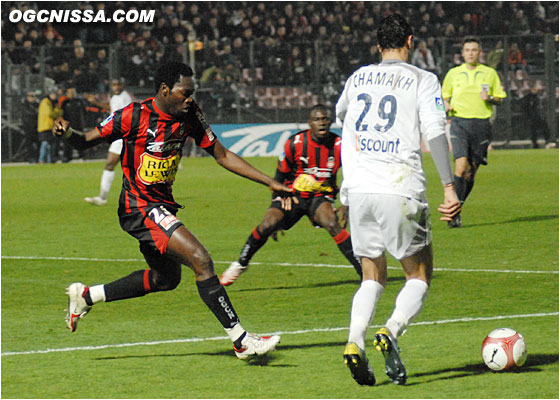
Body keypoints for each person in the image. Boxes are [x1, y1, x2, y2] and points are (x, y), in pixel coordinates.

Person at [52, 62, 294, 359]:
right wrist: (66, 134)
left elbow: (222, 154)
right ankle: (241, 341)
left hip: (161, 206)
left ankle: (87, 296)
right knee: (201, 260)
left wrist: (269, 181)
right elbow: (84, 141)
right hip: (139, 207)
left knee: (165, 279)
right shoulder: (133, 115)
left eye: (192, 93)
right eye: (185, 92)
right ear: (165, 90)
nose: (190, 98)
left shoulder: (190, 114)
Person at [335, 14, 460, 386]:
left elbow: (344, 118)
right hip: (399, 185)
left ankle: (354, 339)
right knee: (419, 275)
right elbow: (435, 133)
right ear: (410, 41)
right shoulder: (423, 79)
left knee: (371, 275)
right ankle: (390, 329)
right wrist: (449, 186)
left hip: (359, 190)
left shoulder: (357, 77)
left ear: (378, 45)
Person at [220, 104, 362, 286]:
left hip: (320, 196)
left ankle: (364, 274)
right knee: (267, 225)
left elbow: (353, 174)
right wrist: (277, 204)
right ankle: (241, 263)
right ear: (309, 122)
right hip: (292, 195)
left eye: (325, 119)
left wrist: (347, 203)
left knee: (331, 222)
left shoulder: (339, 146)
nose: (322, 123)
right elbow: (279, 176)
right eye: (317, 119)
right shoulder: (295, 143)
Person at [442, 37, 506, 227]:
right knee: (461, 167)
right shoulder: (454, 74)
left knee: (471, 172)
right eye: (467, 50)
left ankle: (457, 208)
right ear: (462, 53)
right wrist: (444, 104)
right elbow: (441, 96)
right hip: (459, 122)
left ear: (480, 53)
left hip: (481, 124)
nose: (470, 53)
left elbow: (501, 98)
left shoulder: (489, 73)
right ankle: (453, 213)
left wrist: (491, 97)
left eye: (474, 50)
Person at [84, 78, 133, 206]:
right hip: (119, 136)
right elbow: (112, 110)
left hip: (125, 136)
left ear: (123, 85)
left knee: (121, 166)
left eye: (118, 84)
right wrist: (96, 103)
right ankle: (102, 197)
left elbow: (125, 116)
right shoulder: (115, 97)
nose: (115, 86)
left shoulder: (125, 98)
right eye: (114, 84)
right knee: (111, 164)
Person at [522, 84, 556, 149]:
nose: (535, 91)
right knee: (534, 131)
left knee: (544, 127)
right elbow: (526, 108)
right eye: (534, 89)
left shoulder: (536, 97)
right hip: (532, 118)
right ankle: (535, 144)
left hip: (538, 117)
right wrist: (528, 117)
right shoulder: (528, 98)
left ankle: (547, 141)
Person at [37, 88, 62, 164]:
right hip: (45, 126)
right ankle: (42, 159)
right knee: (45, 143)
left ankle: (50, 160)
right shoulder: (45, 102)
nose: (55, 96)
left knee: (52, 143)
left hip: (51, 126)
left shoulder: (52, 103)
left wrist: (56, 112)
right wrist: (56, 112)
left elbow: (60, 112)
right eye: (53, 94)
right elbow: (49, 113)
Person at [22, 91, 39, 163]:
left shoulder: (37, 105)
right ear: (27, 97)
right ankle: (31, 157)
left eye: (33, 96)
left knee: (39, 143)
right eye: (31, 96)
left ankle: (37, 157)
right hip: (28, 128)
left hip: (37, 127)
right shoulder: (24, 105)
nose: (32, 98)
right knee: (29, 144)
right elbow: (30, 114)